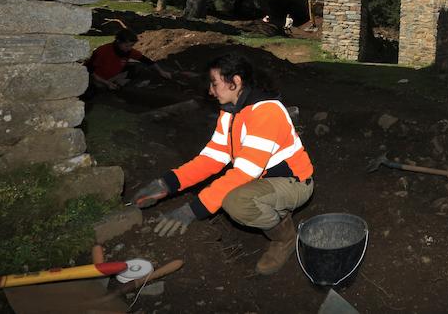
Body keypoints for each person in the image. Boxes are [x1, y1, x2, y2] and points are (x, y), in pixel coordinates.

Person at [132, 53, 314, 275]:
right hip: (262, 181)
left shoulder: (267, 112)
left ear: (235, 82)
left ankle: (284, 239)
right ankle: (273, 211)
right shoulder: (230, 113)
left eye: (214, 83)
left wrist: (193, 210)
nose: (210, 90)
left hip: (294, 182)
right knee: (235, 193)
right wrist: (167, 183)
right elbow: (212, 158)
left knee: (236, 202)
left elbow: (245, 172)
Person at [85, 29, 171, 90]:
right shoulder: (102, 51)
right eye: (127, 45)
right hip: (98, 80)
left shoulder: (129, 52)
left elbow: (147, 60)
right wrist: (106, 83)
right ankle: (108, 87)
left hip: (112, 77)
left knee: (137, 67)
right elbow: (89, 70)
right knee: (93, 89)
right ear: (118, 42)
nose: (129, 48)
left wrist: (161, 71)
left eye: (131, 45)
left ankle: (117, 85)